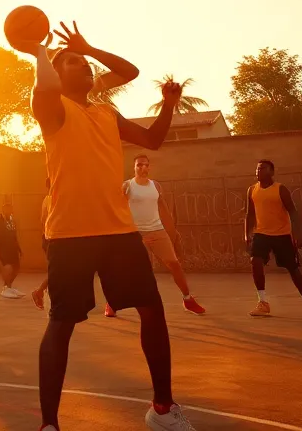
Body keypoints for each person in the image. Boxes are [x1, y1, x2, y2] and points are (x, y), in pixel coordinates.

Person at [24, 22, 195, 431]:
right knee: (61, 324)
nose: (82, 66)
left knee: (153, 311)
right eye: (73, 63)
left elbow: (151, 136)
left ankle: (163, 410)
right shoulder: (51, 108)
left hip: (118, 231)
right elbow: (44, 84)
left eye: (84, 64)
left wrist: (167, 103)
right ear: (56, 74)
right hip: (69, 233)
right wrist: (41, 53)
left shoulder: (105, 112)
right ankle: (49, 424)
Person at [111, 154, 205, 317]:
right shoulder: (127, 186)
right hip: (136, 233)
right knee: (131, 271)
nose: (143, 168)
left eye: (146, 165)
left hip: (157, 230)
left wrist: (173, 234)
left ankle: (188, 299)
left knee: (174, 264)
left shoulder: (156, 186)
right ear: (134, 167)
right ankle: (112, 303)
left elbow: (165, 211)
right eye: (139, 165)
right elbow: (118, 212)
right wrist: (129, 235)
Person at [244, 160, 302, 321]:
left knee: (293, 269)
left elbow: (293, 211)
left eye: (262, 168)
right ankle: (263, 302)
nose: (258, 171)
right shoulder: (252, 190)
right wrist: (246, 234)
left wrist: (298, 234)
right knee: (255, 261)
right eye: (257, 168)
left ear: (271, 171)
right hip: (261, 234)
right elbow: (249, 214)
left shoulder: (280, 189)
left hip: (282, 235)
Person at [0, 197, 25, 300]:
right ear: (3, 210)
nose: (9, 211)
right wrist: (1, 248)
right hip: (4, 249)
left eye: (10, 208)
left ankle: (10, 287)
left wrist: (19, 249)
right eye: (6, 208)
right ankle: (5, 288)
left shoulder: (12, 221)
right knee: (8, 267)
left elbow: (14, 236)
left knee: (16, 267)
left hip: (13, 248)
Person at [31, 179, 52, 311]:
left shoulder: (48, 199)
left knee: (59, 270)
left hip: (51, 238)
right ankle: (39, 291)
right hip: (52, 239)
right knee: (58, 270)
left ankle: (42, 292)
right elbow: (44, 219)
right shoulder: (50, 198)